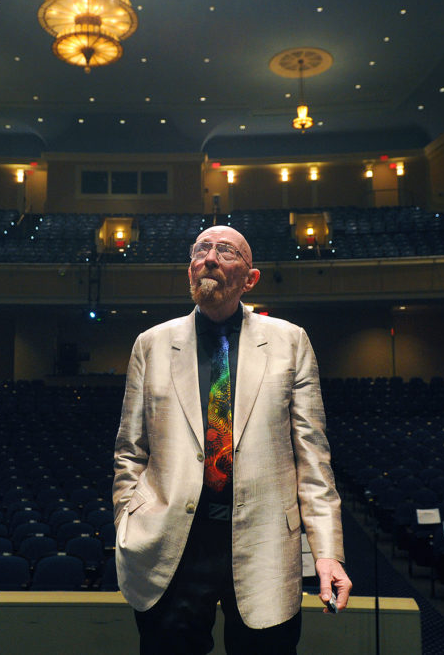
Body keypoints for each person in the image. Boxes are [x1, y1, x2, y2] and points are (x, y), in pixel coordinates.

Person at [113, 225, 351, 654]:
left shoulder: (290, 341)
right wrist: (127, 518)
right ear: (189, 269)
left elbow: (313, 459)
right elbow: (130, 451)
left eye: (225, 251)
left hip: (264, 541)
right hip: (172, 542)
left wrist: (328, 552)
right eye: (200, 249)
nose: (209, 257)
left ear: (250, 277)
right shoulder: (151, 344)